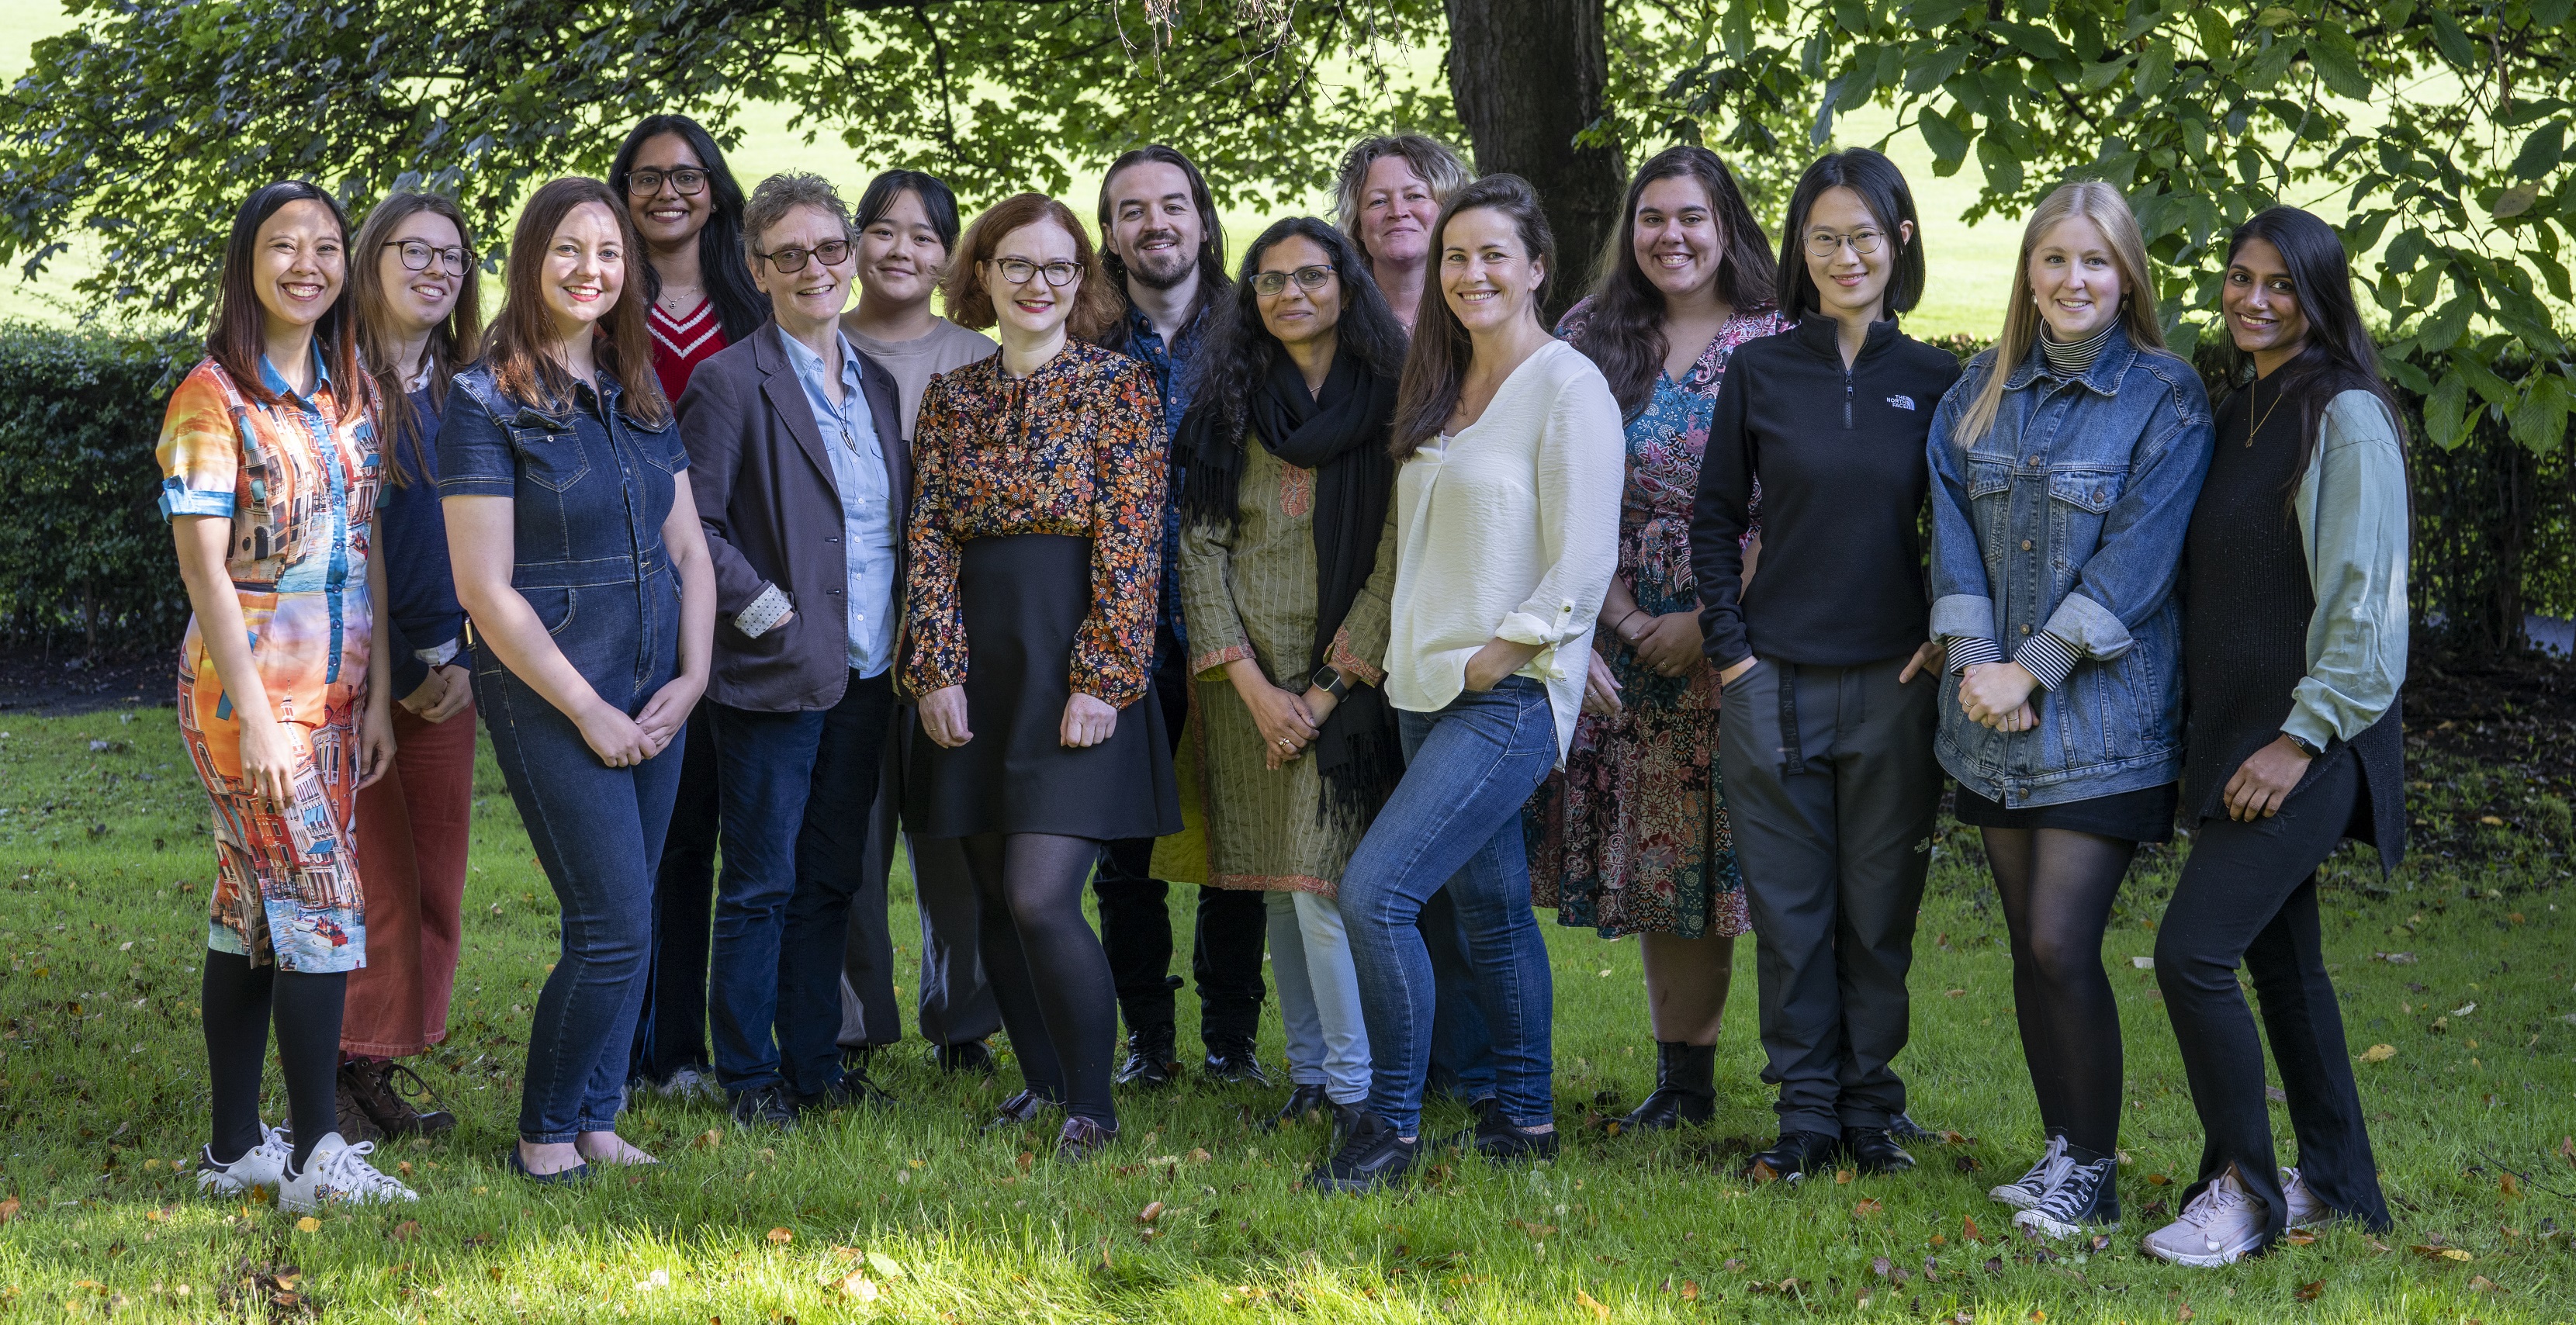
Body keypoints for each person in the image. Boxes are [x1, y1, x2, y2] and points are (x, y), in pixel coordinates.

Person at [1311, 174, 1623, 1192]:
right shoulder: (1437, 386)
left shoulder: (1566, 384)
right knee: (1489, 907)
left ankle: (1388, 1130)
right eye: (1457, 255)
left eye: (1495, 254)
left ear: (1537, 267)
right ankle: (1523, 1119)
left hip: (1506, 692)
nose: (1473, 272)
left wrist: (1515, 648)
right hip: (1420, 683)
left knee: (1376, 892)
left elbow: (1582, 554)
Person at [1925, 181, 2214, 1237]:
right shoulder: (1978, 390)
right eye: (2055, 260)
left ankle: (2090, 1169)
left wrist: (2030, 670)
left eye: (2096, 262)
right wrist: (1973, 662)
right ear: (2029, 273)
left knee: (2059, 942)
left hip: (2102, 727)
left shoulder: (2166, 397)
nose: (2074, 281)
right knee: (2023, 946)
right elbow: (1951, 528)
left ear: (2128, 274)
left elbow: (2139, 562)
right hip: (1987, 717)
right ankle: (2060, 1149)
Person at [1687, 148, 1961, 1181]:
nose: (1845, 255)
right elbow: (1714, 522)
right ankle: (1804, 1117)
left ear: (1900, 244)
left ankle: (1869, 1112)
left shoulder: (1941, 380)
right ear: (1799, 251)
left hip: (1896, 683)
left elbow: (1972, 531)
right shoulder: (1760, 369)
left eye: (1864, 236)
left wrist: (1950, 636)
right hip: (1773, 684)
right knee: (1793, 915)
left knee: (1878, 912)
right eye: (1823, 238)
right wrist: (1735, 655)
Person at [2141, 206, 2405, 1265]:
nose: (2254, 299)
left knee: (2193, 954)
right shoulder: (2242, 406)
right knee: (2286, 972)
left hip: (2311, 744)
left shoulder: (2341, 415)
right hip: (2236, 739)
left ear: (2321, 295)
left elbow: (2367, 613)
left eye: (2281, 285)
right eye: (2239, 277)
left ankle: (2245, 1191)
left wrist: (2301, 740)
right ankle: (2340, 1184)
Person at [441, 177, 716, 1181]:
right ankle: (546, 1135)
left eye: (608, 253)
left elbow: (688, 548)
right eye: (568, 249)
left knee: (630, 914)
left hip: (657, 691)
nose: (589, 269)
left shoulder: (638, 394)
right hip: (556, 693)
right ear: (530, 262)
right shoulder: (482, 403)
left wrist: (693, 678)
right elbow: (485, 589)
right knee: (612, 925)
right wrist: (592, 710)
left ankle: (599, 1120)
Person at [903, 192, 1179, 1161]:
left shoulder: (1117, 389)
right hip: (977, 664)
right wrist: (934, 667)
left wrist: (1102, 676)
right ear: (981, 274)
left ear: (1081, 280)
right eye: (1016, 265)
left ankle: (1092, 1106)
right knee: (987, 894)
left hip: (1071, 662)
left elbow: (1135, 541)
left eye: (1058, 267)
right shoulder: (953, 395)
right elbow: (930, 534)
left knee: (1038, 895)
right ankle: (1039, 1081)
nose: (1036, 284)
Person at [164, 180, 414, 1212]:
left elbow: (365, 545)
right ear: (247, 262)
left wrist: (384, 688)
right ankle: (319, 1157)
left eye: (325, 245)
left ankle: (234, 1151)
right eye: (282, 245)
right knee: (321, 905)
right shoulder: (209, 397)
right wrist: (262, 714)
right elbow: (204, 569)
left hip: (340, 695)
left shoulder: (353, 388)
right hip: (248, 703)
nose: (306, 263)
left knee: (251, 917)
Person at [1529, 145, 1788, 1133]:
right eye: (1650, 218)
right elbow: (1543, 482)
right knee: (1667, 866)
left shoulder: (1779, 335)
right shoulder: (1589, 335)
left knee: (1750, 863)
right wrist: (1628, 621)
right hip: (1615, 635)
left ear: (1726, 224)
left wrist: (1708, 617)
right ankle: (1682, 1087)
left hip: (1743, 637)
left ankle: (1814, 1082)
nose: (1669, 237)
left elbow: (1802, 494)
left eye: (1689, 217)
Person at [679, 172, 909, 1128]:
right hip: (773, 673)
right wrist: (765, 609)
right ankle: (747, 1074)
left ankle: (815, 1062)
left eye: (828, 249)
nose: (813, 268)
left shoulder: (878, 380)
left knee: (830, 878)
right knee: (761, 882)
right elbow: (694, 521)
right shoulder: (729, 381)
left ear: (850, 257)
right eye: (789, 254)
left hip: (865, 671)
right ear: (756, 268)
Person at [1175, 217, 1408, 1138]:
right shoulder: (1226, 407)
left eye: (1310, 276)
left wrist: (1321, 689)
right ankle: (1309, 1075)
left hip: (1346, 690)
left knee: (1318, 887)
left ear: (1346, 286)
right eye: (1268, 282)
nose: (1290, 295)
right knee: (1276, 883)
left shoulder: (1394, 402)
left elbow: (1399, 553)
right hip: (1244, 691)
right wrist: (1252, 684)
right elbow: (1198, 548)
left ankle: (1355, 1090)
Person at [1091, 144, 1269, 1088]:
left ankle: (1231, 1038)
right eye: (1131, 210)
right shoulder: (1085, 333)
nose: (1154, 223)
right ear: (1110, 233)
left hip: (1237, 624)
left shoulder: (1259, 324)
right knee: (1127, 851)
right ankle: (1147, 1040)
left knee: (1238, 842)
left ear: (1201, 217)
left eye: (1171, 205)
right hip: (1118, 630)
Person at [1332, 130, 1495, 1112]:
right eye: (1376, 197)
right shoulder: (1336, 325)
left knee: (1460, 866)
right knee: (1383, 855)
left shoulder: (1486, 327)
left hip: (1463, 630)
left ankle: (1469, 1072)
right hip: (1356, 625)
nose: (1396, 210)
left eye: (1417, 194)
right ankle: (1401, 1058)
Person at [833, 168, 1004, 1077]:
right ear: (856, 242)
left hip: (957, 644)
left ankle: (964, 1020)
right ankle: (852, 1025)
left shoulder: (979, 360)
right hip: (847, 643)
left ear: (948, 255)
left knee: (955, 834)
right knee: (850, 839)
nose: (902, 251)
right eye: (884, 231)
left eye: (925, 236)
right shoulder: (816, 349)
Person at [608, 113, 766, 1101]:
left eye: (689, 174)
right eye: (648, 176)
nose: (669, 191)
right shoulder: (596, 291)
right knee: (626, 831)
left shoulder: (751, 304)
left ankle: (679, 1048)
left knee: (696, 824)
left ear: (715, 188)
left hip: (720, 582)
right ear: (621, 188)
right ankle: (617, 1044)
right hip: (615, 587)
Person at [336, 190, 485, 1143]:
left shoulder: (471, 387)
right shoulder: (328, 384)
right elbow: (335, 551)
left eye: (453, 257)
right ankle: (336, 1075)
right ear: (371, 259)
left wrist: (472, 657)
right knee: (364, 881)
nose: (436, 270)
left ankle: (373, 1066)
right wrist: (391, 679)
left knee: (434, 880)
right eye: (414, 251)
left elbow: (499, 543)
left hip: (460, 670)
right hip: (351, 676)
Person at [1333, 134, 1476, 333]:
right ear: (1358, 226)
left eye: (1414, 196)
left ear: (1447, 212)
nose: (1398, 212)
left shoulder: (1479, 308)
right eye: (1379, 201)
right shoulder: (1334, 320)